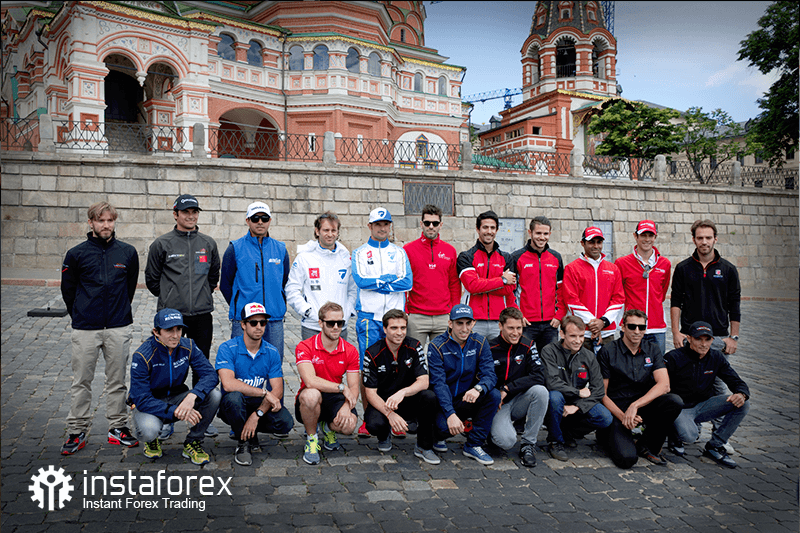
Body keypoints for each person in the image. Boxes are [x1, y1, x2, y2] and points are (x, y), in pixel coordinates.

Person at [60, 202, 140, 455]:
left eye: (110, 220)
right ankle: (77, 430)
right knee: (81, 381)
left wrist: (118, 312)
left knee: (117, 381)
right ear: (91, 222)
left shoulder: (127, 252)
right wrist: (81, 313)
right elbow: (68, 290)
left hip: (118, 326)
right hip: (85, 327)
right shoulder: (76, 254)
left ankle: (118, 427)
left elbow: (129, 288)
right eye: (101, 220)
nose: (106, 225)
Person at [145, 193, 221, 442]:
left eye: (194, 212)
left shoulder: (208, 243)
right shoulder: (162, 244)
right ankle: (165, 417)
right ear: (175, 214)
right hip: (171, 318)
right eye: (186, 212)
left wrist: (200, 296)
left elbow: (213, 276)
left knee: (201, 366)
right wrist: (171, 298)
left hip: (201, 315)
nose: (190, 216)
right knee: (165, 368)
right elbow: (152, 280)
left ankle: (202, 416)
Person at [129, 309, 222, 465]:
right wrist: (175, 411)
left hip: (178, 397)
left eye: (179, 329)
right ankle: (151, 441)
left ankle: (193, 442)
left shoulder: (188, 345)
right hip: (151, 403)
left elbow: (211, 375)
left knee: (215, 394)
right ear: (156, 332)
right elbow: (142, 399)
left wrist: (192, 396)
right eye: (169, 330)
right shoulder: (142, 355)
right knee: (149, 430)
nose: (175, 335)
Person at [351, 207, 412, 436]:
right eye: (378, 224)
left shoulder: (399, 252)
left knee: (397, 367)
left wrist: (377, 283)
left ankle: (396, 416)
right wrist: (386, 281)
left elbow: (407, 282)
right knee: (368, 369)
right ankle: (369, 418)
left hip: (395, 318)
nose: (382, 228)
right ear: (370, 226)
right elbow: (360, 280)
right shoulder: (359, 253)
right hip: (369, 317)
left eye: (386, 224)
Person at [596, 310, 683, 468]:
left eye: (641, 327)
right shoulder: (607, 351)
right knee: (627, 459)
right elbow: (602, 394)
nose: (637, 331)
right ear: (623, 327)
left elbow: (664, 385)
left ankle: (647, 445)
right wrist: (624, 417)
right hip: (616, 409)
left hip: (641, 406)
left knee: (673, 401)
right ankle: (609, 436)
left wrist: (635, 406)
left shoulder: (652, 349)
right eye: (632, 326)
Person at [670, 219, 741, 402]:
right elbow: (676, 302)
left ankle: (719, 421)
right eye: (700, 238)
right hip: (690, 337)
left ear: (715, 239)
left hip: (717, 337)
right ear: (693, 239)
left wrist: (733, 337)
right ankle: (692, 421)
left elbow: (734, 305)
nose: (704, 242)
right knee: (688, 384)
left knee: (718, 386)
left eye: (708, 238)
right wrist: (676, 332)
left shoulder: (728, 269)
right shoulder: (683, 268)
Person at [215, 303, 294, 466]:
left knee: (285, 422)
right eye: (253, 322)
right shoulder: (227, 348)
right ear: (243, 325)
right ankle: (243, 443)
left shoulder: (271, 351)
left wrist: (256, 415)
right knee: (234, 399)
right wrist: (264, 393)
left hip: (256, 405)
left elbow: (278, 389)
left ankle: (251, 431)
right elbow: (228, 384)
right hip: (233, 403)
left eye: (263, 322)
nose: (259, 327)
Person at [664, 321, 750, 468]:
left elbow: (736, 380)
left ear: (712, 340)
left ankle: (715, 446)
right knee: (689, 437)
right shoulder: (673, 357)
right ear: (689, 338)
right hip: (680, 408)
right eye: (698, 339)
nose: (703, 344)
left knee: (743, 403)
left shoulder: (716, 357)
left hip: (703, 406)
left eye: (707, 339)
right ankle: (674, 434)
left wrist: (741, 393)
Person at [428, 304, 502, 465]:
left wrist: (478, 388)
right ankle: (437, 436)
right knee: (443, 429)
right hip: (444, 402)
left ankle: (474, 444)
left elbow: (490, 374)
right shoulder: (436, 346)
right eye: (459, 323)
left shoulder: (480, 342)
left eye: (468, 323)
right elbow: (439, 383)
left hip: (467, 398)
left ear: (473, 323)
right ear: (450, 324)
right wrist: (450, 414)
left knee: (494, 394)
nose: (464, 328)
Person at [362, 310, 439, 463]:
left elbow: (424, 381)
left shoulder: (414, 346)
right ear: (385, 329)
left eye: (403, 328)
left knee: (429, 396)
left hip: (408, 400)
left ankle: (424, 446)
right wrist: (390, 414)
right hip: (384, 403)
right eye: (394, 328)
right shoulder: (372, 352)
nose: (399, 332)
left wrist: (403, 392)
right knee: (374, 424)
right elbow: (370, 393)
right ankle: (384, 435)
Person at [220, 201, 290, 359]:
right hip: (245, 319)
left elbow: (284, 281)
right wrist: (240, 303)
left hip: (273, 318)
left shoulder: (280, 249)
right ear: (247, 220)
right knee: (242, 362)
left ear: (270, 220)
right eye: (255, 218)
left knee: (274, 362)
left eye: (264, 218)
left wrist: (277, 301)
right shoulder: (235, 248)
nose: (260, 222)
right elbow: (225, 284)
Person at [294, 302, 360, 465]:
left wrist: (347, 407)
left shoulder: (350, 350)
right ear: (320, 323)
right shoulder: (305, 346)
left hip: (334, 397)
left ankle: (327, 427)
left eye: (340, 323)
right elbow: (310, 381)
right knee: (311, 395)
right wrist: (341, 387)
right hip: (311, 396)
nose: (336, 327)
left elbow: (354, 387)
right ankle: (312, 438)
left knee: (349, 426)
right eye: (331, 323)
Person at [541, 316, 613, 461]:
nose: (578, 341)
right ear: (562, 334)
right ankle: (555, 442)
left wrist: (578, 406)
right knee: (554, 397)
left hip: (577, 401)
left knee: (605, 417)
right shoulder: (549, 351)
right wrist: (578, 392)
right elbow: (551, 382)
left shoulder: (589, 356)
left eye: (581, 336)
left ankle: (568, 433)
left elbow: (598, 389)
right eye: (573, 336)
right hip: (557, 398)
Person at [487, 307, 549, 468]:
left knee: (541, 391)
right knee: (506, 441)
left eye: (519, 328)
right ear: (500, 326)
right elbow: (482, 377)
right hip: (497, 403)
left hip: (519, 399)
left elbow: (539, 376)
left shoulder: (528, 345)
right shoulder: (489, 347)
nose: (515, 333)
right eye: (511, 328)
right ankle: (489, 431)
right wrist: (495, 395)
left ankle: (528, 444)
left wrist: (507, 388)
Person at [286, 212, 356, 341]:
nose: (330, 234)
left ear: (338, 232)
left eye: (333, 230)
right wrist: (308, 312)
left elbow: (353, 290)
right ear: (317, 231)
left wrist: (347, 312)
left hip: (339, 327)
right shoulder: (304, 258)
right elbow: (292, 289)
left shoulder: (346, 258)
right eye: (326, 230)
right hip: (313, 327)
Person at [403, 204, 461, 346]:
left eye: (435, 223)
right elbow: (403, 283)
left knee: (442, 357)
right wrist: (405, 310)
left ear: (440, 225)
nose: (431, 226)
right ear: (421, 224)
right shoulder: (408, 250)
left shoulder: (450, 251)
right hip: (417, 316)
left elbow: (454, 283)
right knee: (414, 357)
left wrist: (453, 310)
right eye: (427, 223)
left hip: (443, 317)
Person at [561, 226, 625, 354]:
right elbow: (571, 300)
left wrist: (603, 321)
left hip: (607, 332)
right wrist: (593, 323)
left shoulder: (613, 269)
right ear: (582, 243)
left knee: (606, 366)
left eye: (599, 242)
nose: (596, 246)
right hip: (580, 333)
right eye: (591, 242)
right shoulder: (571, 268)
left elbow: (618, 298)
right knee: (580, 366)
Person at [457, 210, 517, 340]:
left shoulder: (507, 258)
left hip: (499, 321)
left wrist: (482, 285)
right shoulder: (466, 257)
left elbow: (509, 289)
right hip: (473, 320)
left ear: (497, 230)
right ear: (478, 229)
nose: (489, 231)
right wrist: (502, 280)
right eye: (485, 227)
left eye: (492, 228)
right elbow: (472, 286)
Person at [509, 216, 565, 355]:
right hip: (526, 323)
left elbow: (561, 290)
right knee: (523, 361)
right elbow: (510, 291)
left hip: (550, 324)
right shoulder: (516, 257)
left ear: (550, 234)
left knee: (550, 362)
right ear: (530, 233)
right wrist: (517, 315)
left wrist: (559, 315)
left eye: (545, 233)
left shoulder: (556, 257)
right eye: (538, 233)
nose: (542, 237)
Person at [615, 220, 672, 354]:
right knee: (629, 364)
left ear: (655, 237)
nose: (647, 239)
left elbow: (662, 293)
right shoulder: (622, 263)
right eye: (643, 235)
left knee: (657, 364)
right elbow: (618, 294)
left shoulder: (665, 264)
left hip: (656, 327)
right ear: (636, 236)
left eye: (650, 235)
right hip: (632, 327)